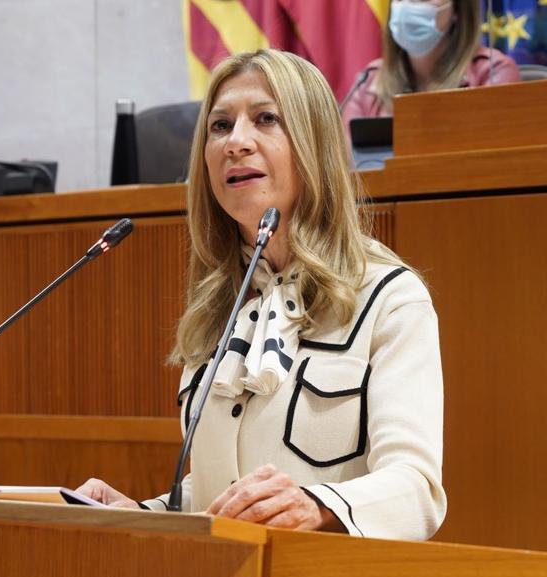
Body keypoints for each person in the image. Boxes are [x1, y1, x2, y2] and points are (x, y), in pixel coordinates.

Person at [77, 49, 445, 541]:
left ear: (313, 142)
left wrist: (316, 505)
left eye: (265, 119)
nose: (236, 142)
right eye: (220, 126)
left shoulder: (389, 299)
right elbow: (218, 497)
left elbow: (417, 490)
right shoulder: (216, 313)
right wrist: (144, 513)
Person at [341, 0, 520, 125]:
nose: (407, 7)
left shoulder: (492, 73)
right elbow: (348, 167)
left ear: (456, 10)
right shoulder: (369, 82)